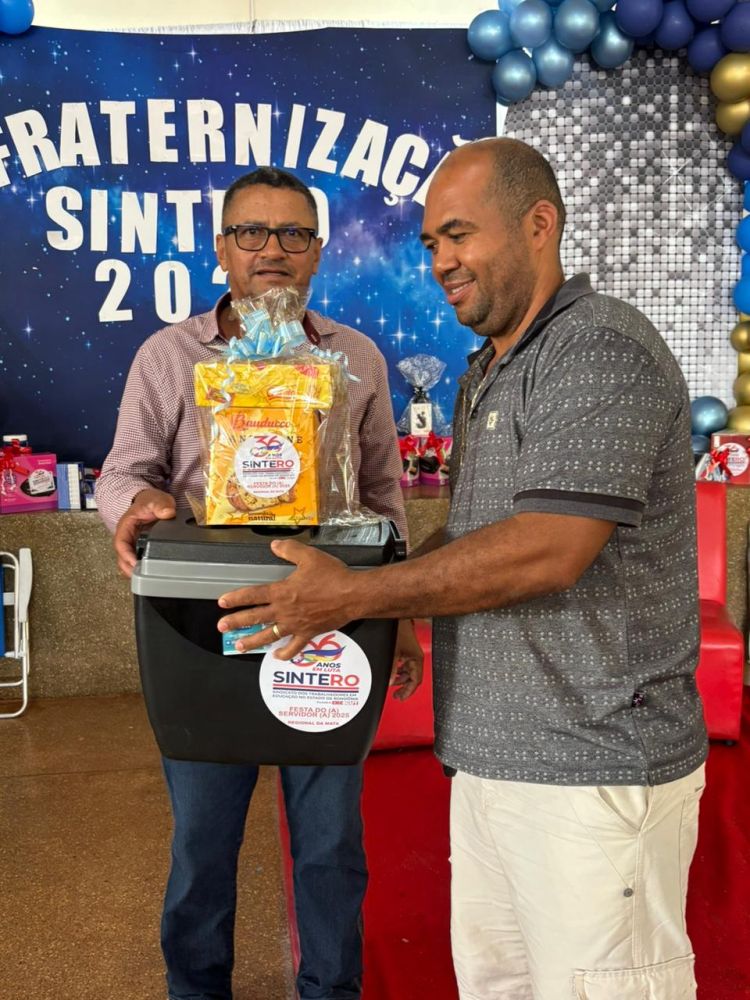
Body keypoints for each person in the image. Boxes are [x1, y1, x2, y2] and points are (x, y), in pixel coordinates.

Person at [216, 139, 709, 1000]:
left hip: (593, 771)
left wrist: (357, 595)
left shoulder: (597, 347)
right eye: (430, 244)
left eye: (459, 235)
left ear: (539, 224)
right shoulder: (491, 367)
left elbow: (549, 546)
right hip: (491, 762)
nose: (441, 261)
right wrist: (383, 602)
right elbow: (481, 535)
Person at [97, 165, 423, 1000]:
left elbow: (384, 497)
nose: (272, 249)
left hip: (333, 620)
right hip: (205, 628)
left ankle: (331, 988)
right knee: (203, 842)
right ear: (222, 248)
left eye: (293, 233)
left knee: (330, 843)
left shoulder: (355, 358)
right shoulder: (169, 356)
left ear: (317, 250)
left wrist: (401, 615)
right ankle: (196, 988)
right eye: (251, 232)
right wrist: (137, 504)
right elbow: (123, 472)